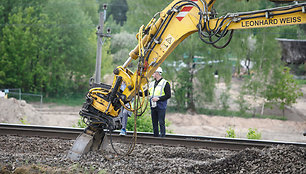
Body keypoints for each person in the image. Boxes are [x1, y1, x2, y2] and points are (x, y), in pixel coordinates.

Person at [149, 67, 171, 137]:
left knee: (161, 122)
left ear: (157, 73)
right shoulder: (152, 83)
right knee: (154, 122)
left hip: (161, 106)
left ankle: (162, 136)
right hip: (153, 105)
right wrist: (138, 93)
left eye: (153, 73)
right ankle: (156, 136)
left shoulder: (165, 83)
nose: (152, 75)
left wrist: (158, 98)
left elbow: (168, 95)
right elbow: (148, 92)